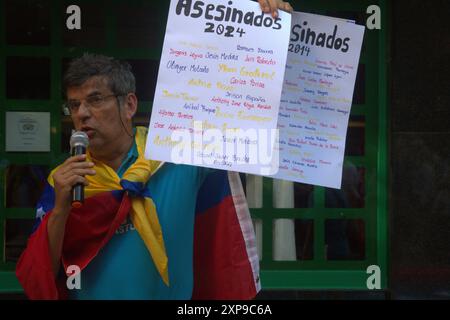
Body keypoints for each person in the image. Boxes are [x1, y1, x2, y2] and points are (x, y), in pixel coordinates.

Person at [16, 1, 293, 299]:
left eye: (95, 100)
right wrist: (61, 209)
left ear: (130, 105)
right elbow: (43, 273)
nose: (82, 113)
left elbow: (243, 105)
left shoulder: (177, 155)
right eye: (74, 104)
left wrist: (266, 31)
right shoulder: (63, 179)